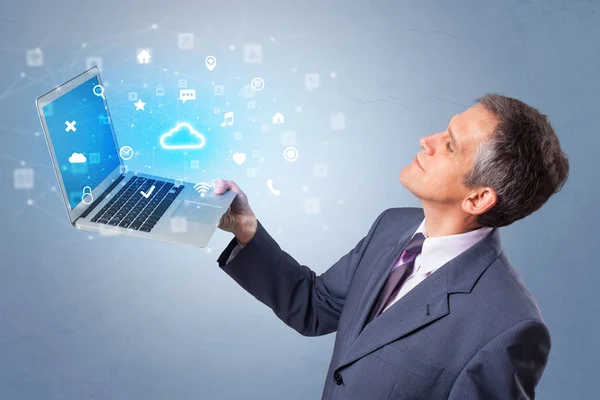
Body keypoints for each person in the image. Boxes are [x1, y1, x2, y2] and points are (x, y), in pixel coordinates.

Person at [212, 93, 570, 399]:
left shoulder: (508, 327)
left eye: (449, 145)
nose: (425, 141)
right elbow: (315, 307)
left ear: (477, 198)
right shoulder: (392, 226)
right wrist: (246, 228)